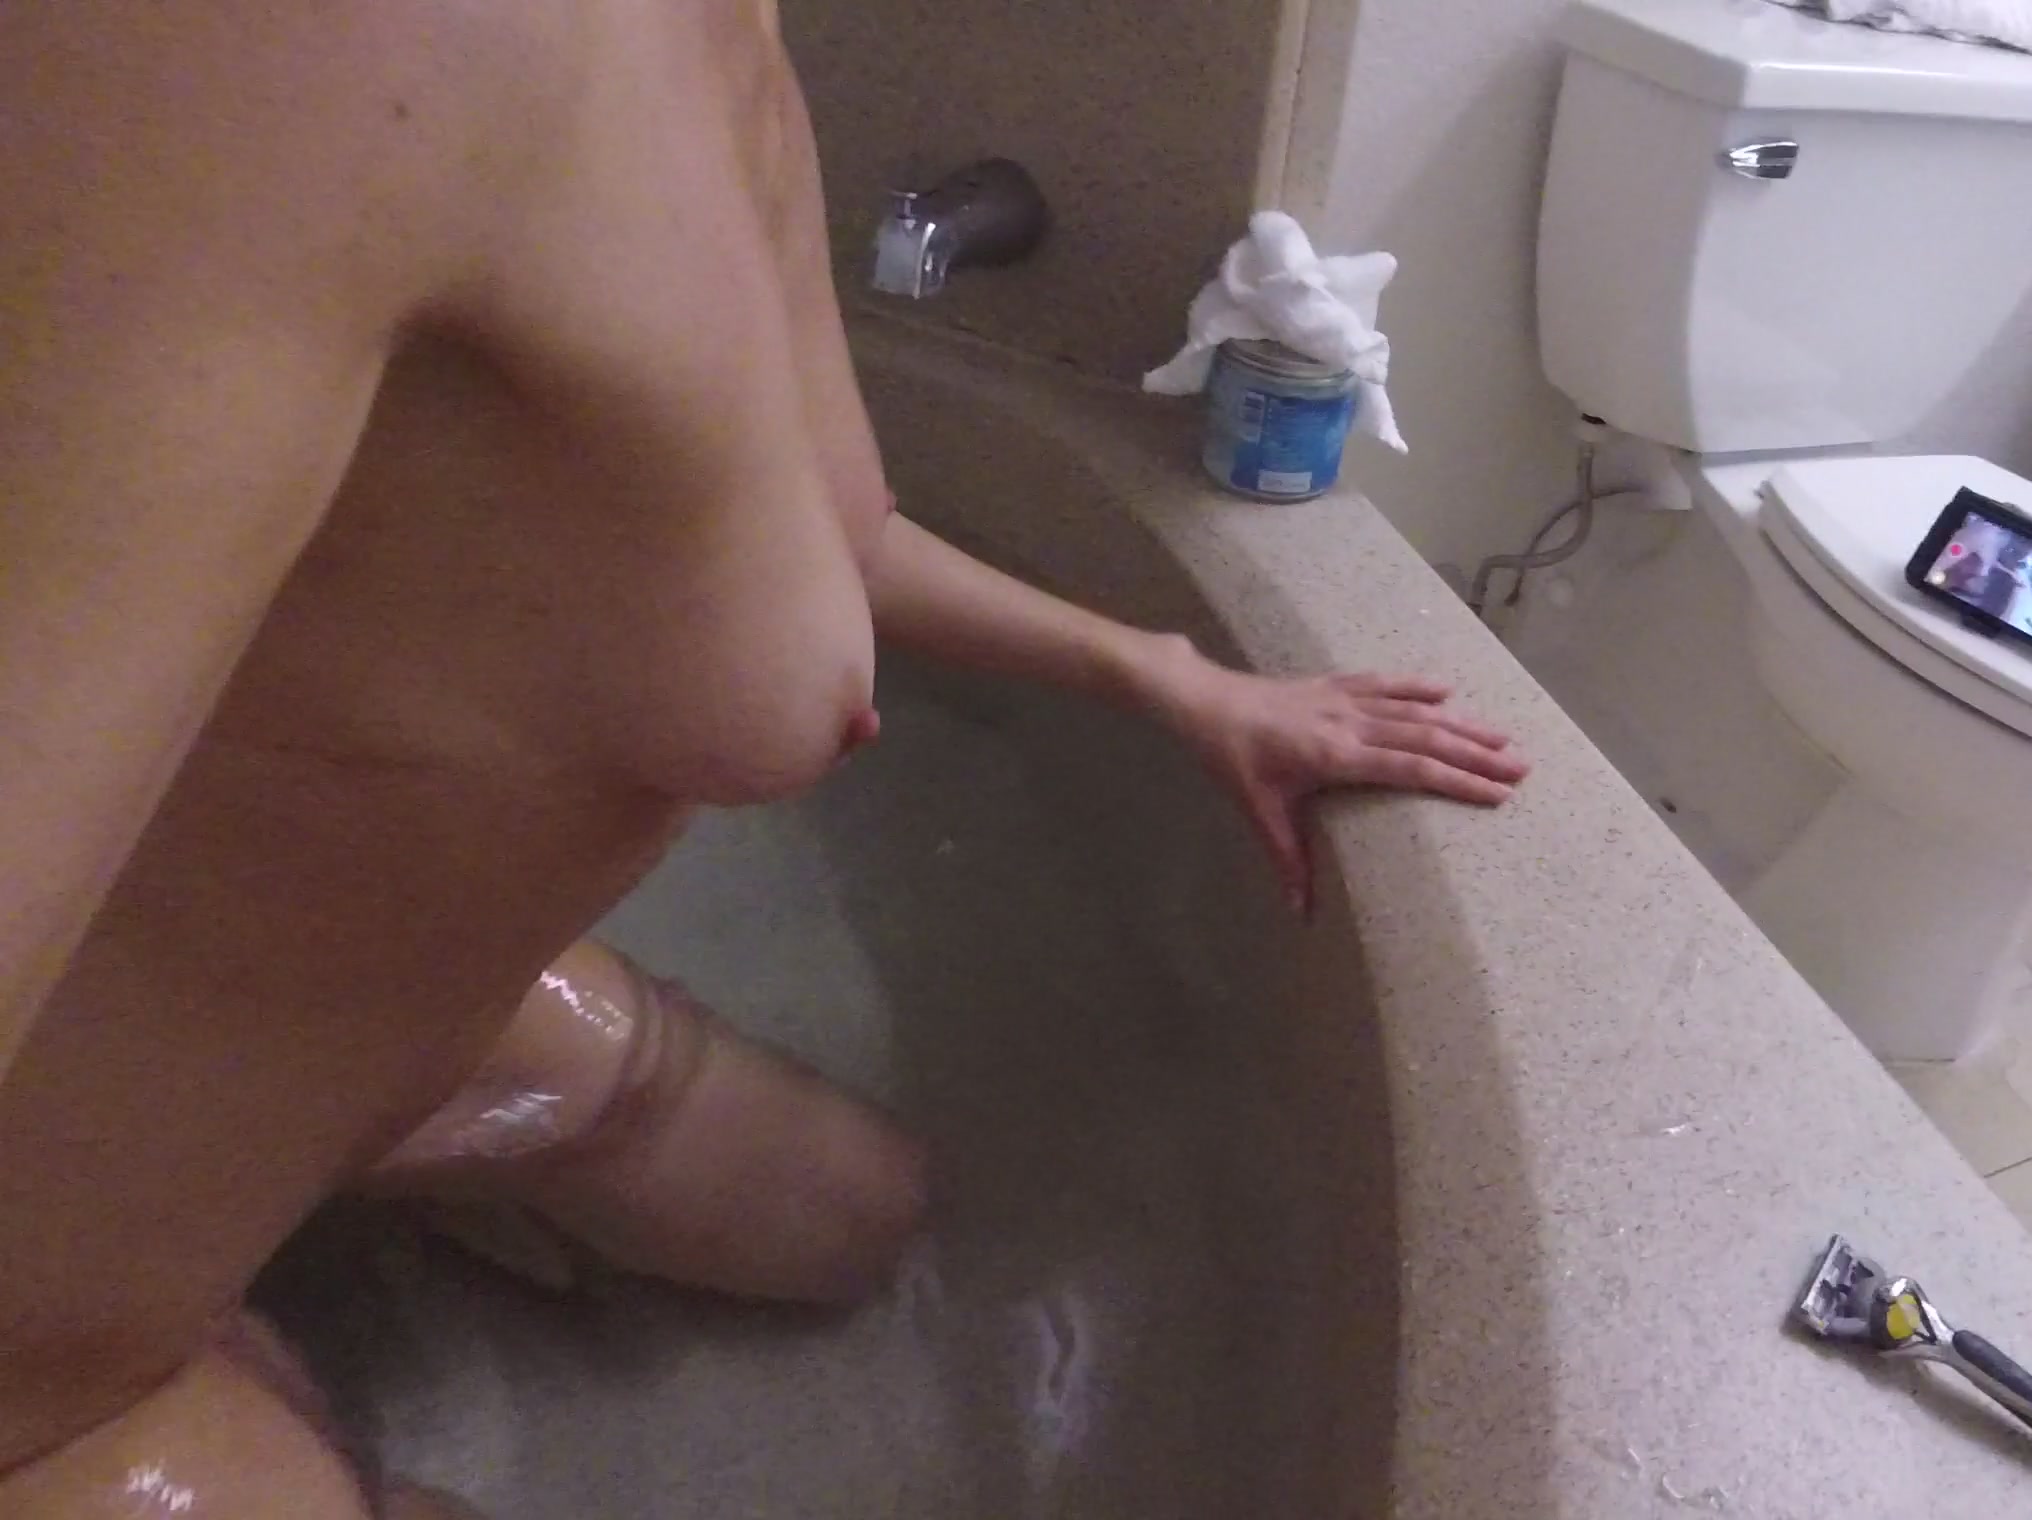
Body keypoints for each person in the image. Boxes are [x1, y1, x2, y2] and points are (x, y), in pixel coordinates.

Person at [0, 3, 1528, 1514]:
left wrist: (1164, 675)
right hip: (49, 1347)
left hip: (342, 998)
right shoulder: (268, 62)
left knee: (850, 1221)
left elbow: (785, 521)